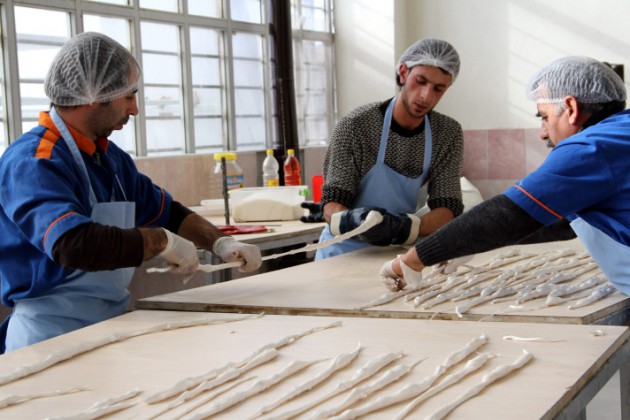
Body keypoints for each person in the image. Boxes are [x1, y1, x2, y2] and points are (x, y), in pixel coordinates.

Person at [0, 32, 262, 353]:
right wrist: (160, 242)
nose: (135, 109)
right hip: (50, 338)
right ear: (94, 93)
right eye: (129, 95)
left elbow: (169, 213)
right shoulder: (35, 161)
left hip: (111, 328)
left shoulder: (110, 160)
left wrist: (221, 242)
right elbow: (73, 245)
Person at [379, 56, 629, 295]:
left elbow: (512, 213)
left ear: (571, 108)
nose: (543, 133)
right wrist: (463, 242)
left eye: (544, 117)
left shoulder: (591, 148)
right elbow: (561, 221)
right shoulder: (620, 135)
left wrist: (413, 259)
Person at [312, 38, 465, 260]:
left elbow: (447, 208)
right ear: (403, 72)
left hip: (395, 255)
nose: (426, 96)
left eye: (438, 88)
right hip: (341, 253)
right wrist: (355, 220)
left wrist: (404, 227)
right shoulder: (356, 126)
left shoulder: (447, 134)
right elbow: (331, 204)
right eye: (420, 81)